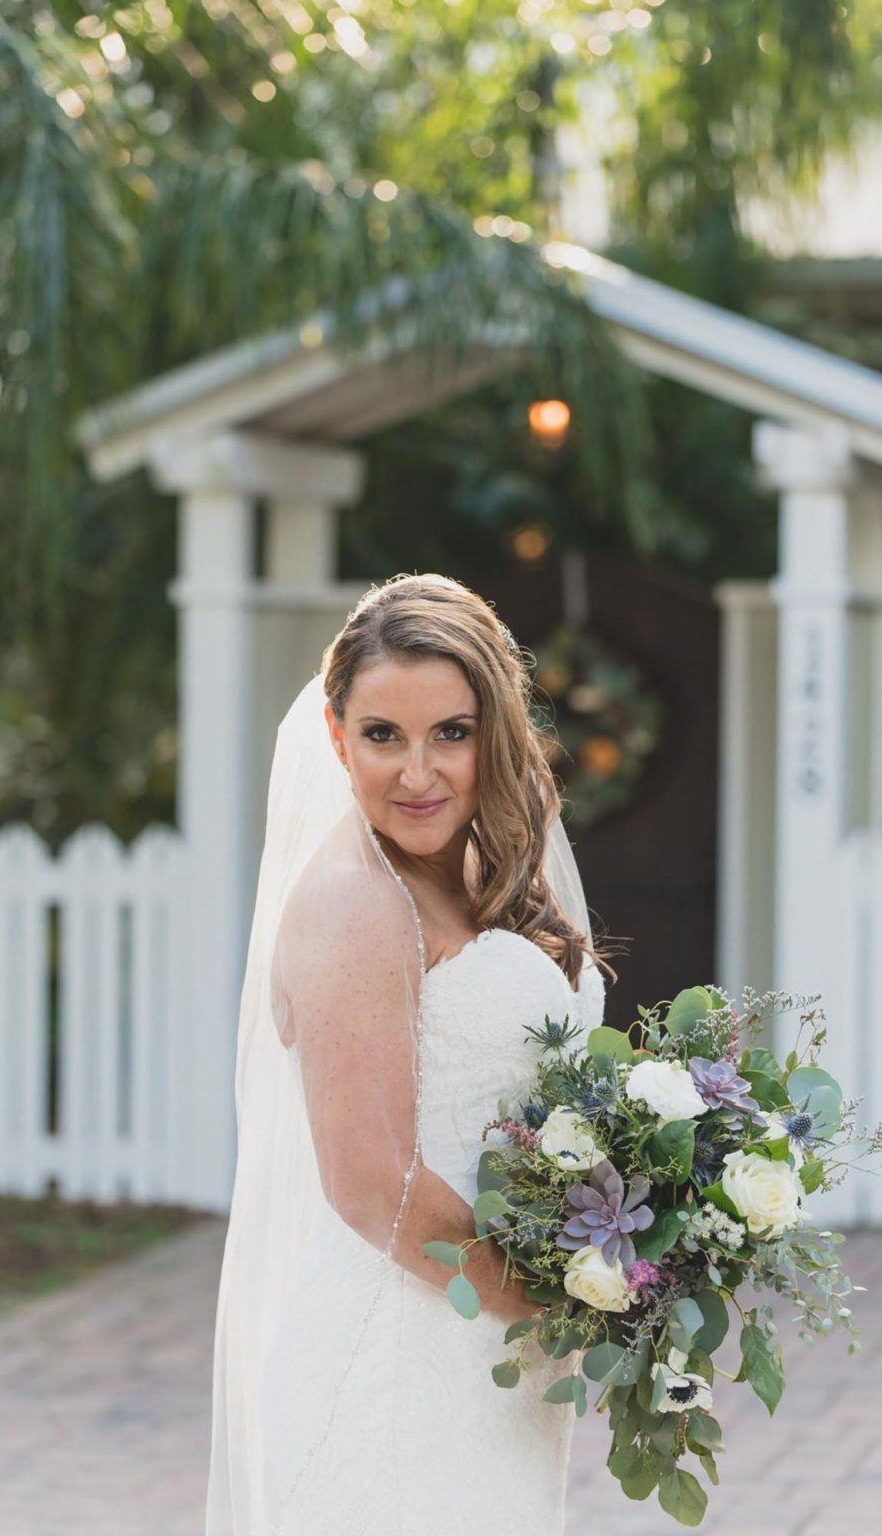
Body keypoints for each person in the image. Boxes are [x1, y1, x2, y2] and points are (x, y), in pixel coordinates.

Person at [205, 573, 616, 1536]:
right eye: (383, 735)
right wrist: (567, 1311)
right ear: (336, 736)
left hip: (482, 1353)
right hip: (400, 1359)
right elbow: (372, 1184)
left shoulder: (469, 869)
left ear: (494, 736)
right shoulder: (357, 901)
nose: (418, 773)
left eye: (452, 734)